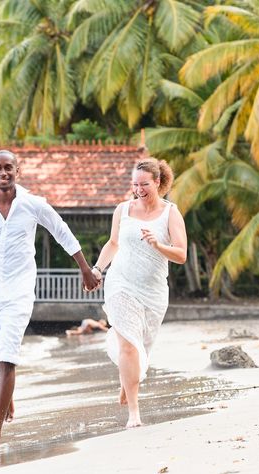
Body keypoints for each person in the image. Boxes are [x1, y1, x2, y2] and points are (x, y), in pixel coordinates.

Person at [0, 150, 100, 451]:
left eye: (9, 168)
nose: (3, 173)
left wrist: (85, 268)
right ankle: (6, 393)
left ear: (18, 171)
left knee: (7, 355)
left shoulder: (33, 204)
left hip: (19, 288)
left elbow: (62, 231)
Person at [91, 158, 187, 428]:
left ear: (157, 182)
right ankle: (134, 411)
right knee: (129, 346)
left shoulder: (170, 213)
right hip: (120, 283)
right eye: (135, 184)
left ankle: (128, 379)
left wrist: (158, 244)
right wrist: (98, 269)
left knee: (142, 346)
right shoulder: (123, 209)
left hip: (153, 291)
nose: (139, 189)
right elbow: (113, 243)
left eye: (144, 184)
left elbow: (181, 254)